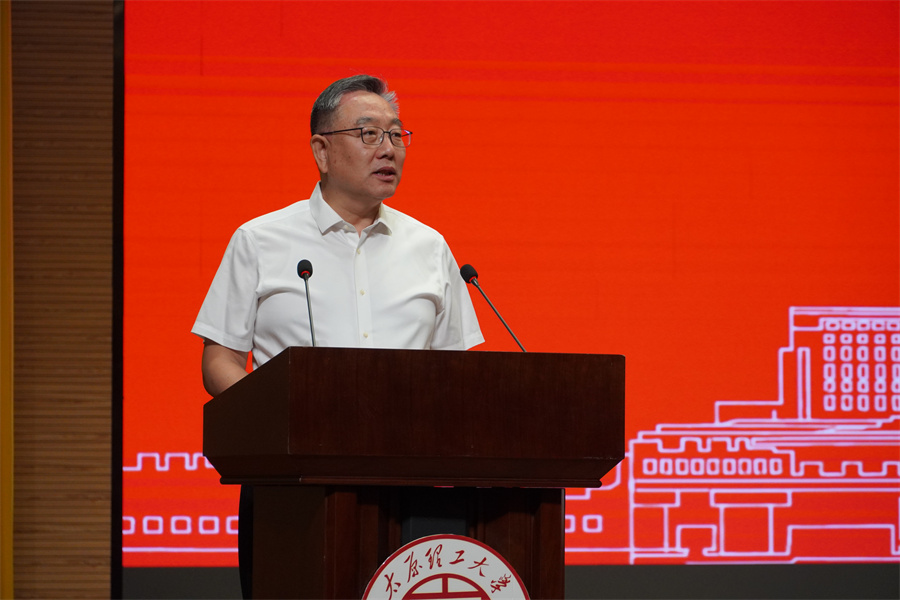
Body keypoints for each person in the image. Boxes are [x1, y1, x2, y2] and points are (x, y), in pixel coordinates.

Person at [191, 74, 483, 597]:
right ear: (321, 151)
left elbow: (458, 372)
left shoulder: (429, 246)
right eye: (369, 134)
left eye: (396, 134)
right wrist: (278, 418)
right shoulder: (260, 240)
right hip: (292, 487)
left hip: (413, 484)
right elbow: (221, 359)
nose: (388, 148)